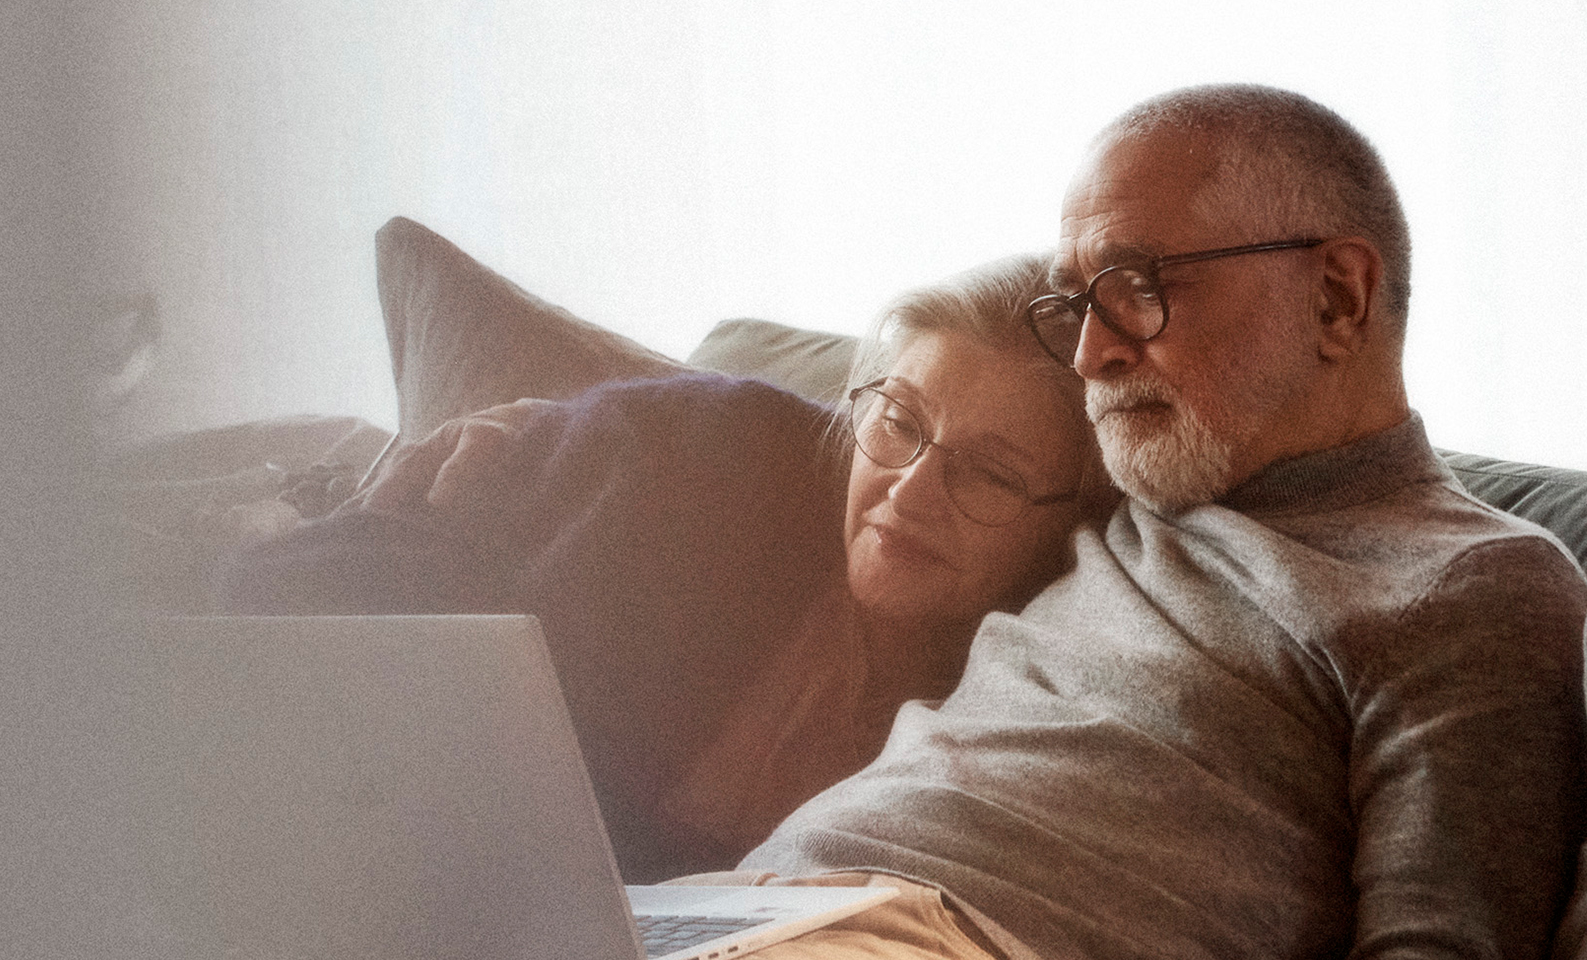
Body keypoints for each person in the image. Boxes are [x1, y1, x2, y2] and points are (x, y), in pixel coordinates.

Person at [222, 84, 1587, 960]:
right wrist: (540, 431)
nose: (1096, 350)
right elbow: (882, 423)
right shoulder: (1125, 508)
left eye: (1144, 288)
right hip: (742, 918)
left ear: (1341, 296)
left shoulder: (1469, 580)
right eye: (1077, 305)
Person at [223, 254, 1110, 880]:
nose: (911, 490)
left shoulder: (1034, 703)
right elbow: (302, 595)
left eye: (992, 472)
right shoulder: (705, 455)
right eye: (898, 422)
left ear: (1069, 525)